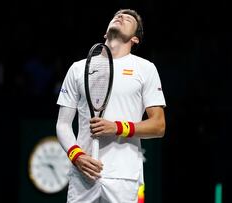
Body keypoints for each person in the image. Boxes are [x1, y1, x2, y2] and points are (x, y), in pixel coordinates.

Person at [56, 9, 166, 203]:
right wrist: (77, 155)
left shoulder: (146, 69)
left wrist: (117, 127)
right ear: (105, 34)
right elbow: (63, 124)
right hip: (83, 176)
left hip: (124, 177)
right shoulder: (78, 68)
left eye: (128, 18)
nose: (121, 17)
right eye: (117, 15)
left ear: (135, 39)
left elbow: (158, 126)